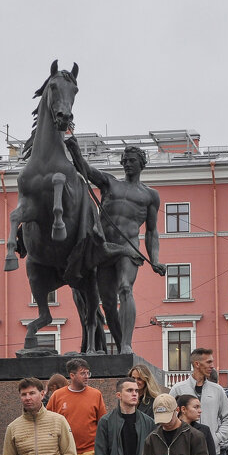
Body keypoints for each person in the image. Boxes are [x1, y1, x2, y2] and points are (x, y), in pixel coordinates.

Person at [67, 140, 167, 354]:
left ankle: (126, 345)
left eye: (132, 160)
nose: (127, 164)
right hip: (104, 249)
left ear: (142, 164)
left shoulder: (150, 195)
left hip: (128, 248)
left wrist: (155, 260)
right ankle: (121, 345)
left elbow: (151, 231)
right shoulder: (110, 183)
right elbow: (85, 170)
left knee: (125, 287)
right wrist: (73, 147)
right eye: (125, 160)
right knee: (108, 304)